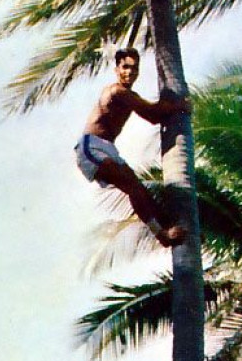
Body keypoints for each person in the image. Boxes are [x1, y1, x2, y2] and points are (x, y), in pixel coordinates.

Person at [74, 48, 189, 247]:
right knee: (133, 187)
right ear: (117, 69)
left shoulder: (128, 94)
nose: (130, 72)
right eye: (125, 67)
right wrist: (179, 105)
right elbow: (152, 114)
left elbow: (153, 112)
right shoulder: (117, 92)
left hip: (108, 147)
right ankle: (162, 235)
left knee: (138, 189)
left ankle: (170, 228)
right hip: (91, 146)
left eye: (134, 68)